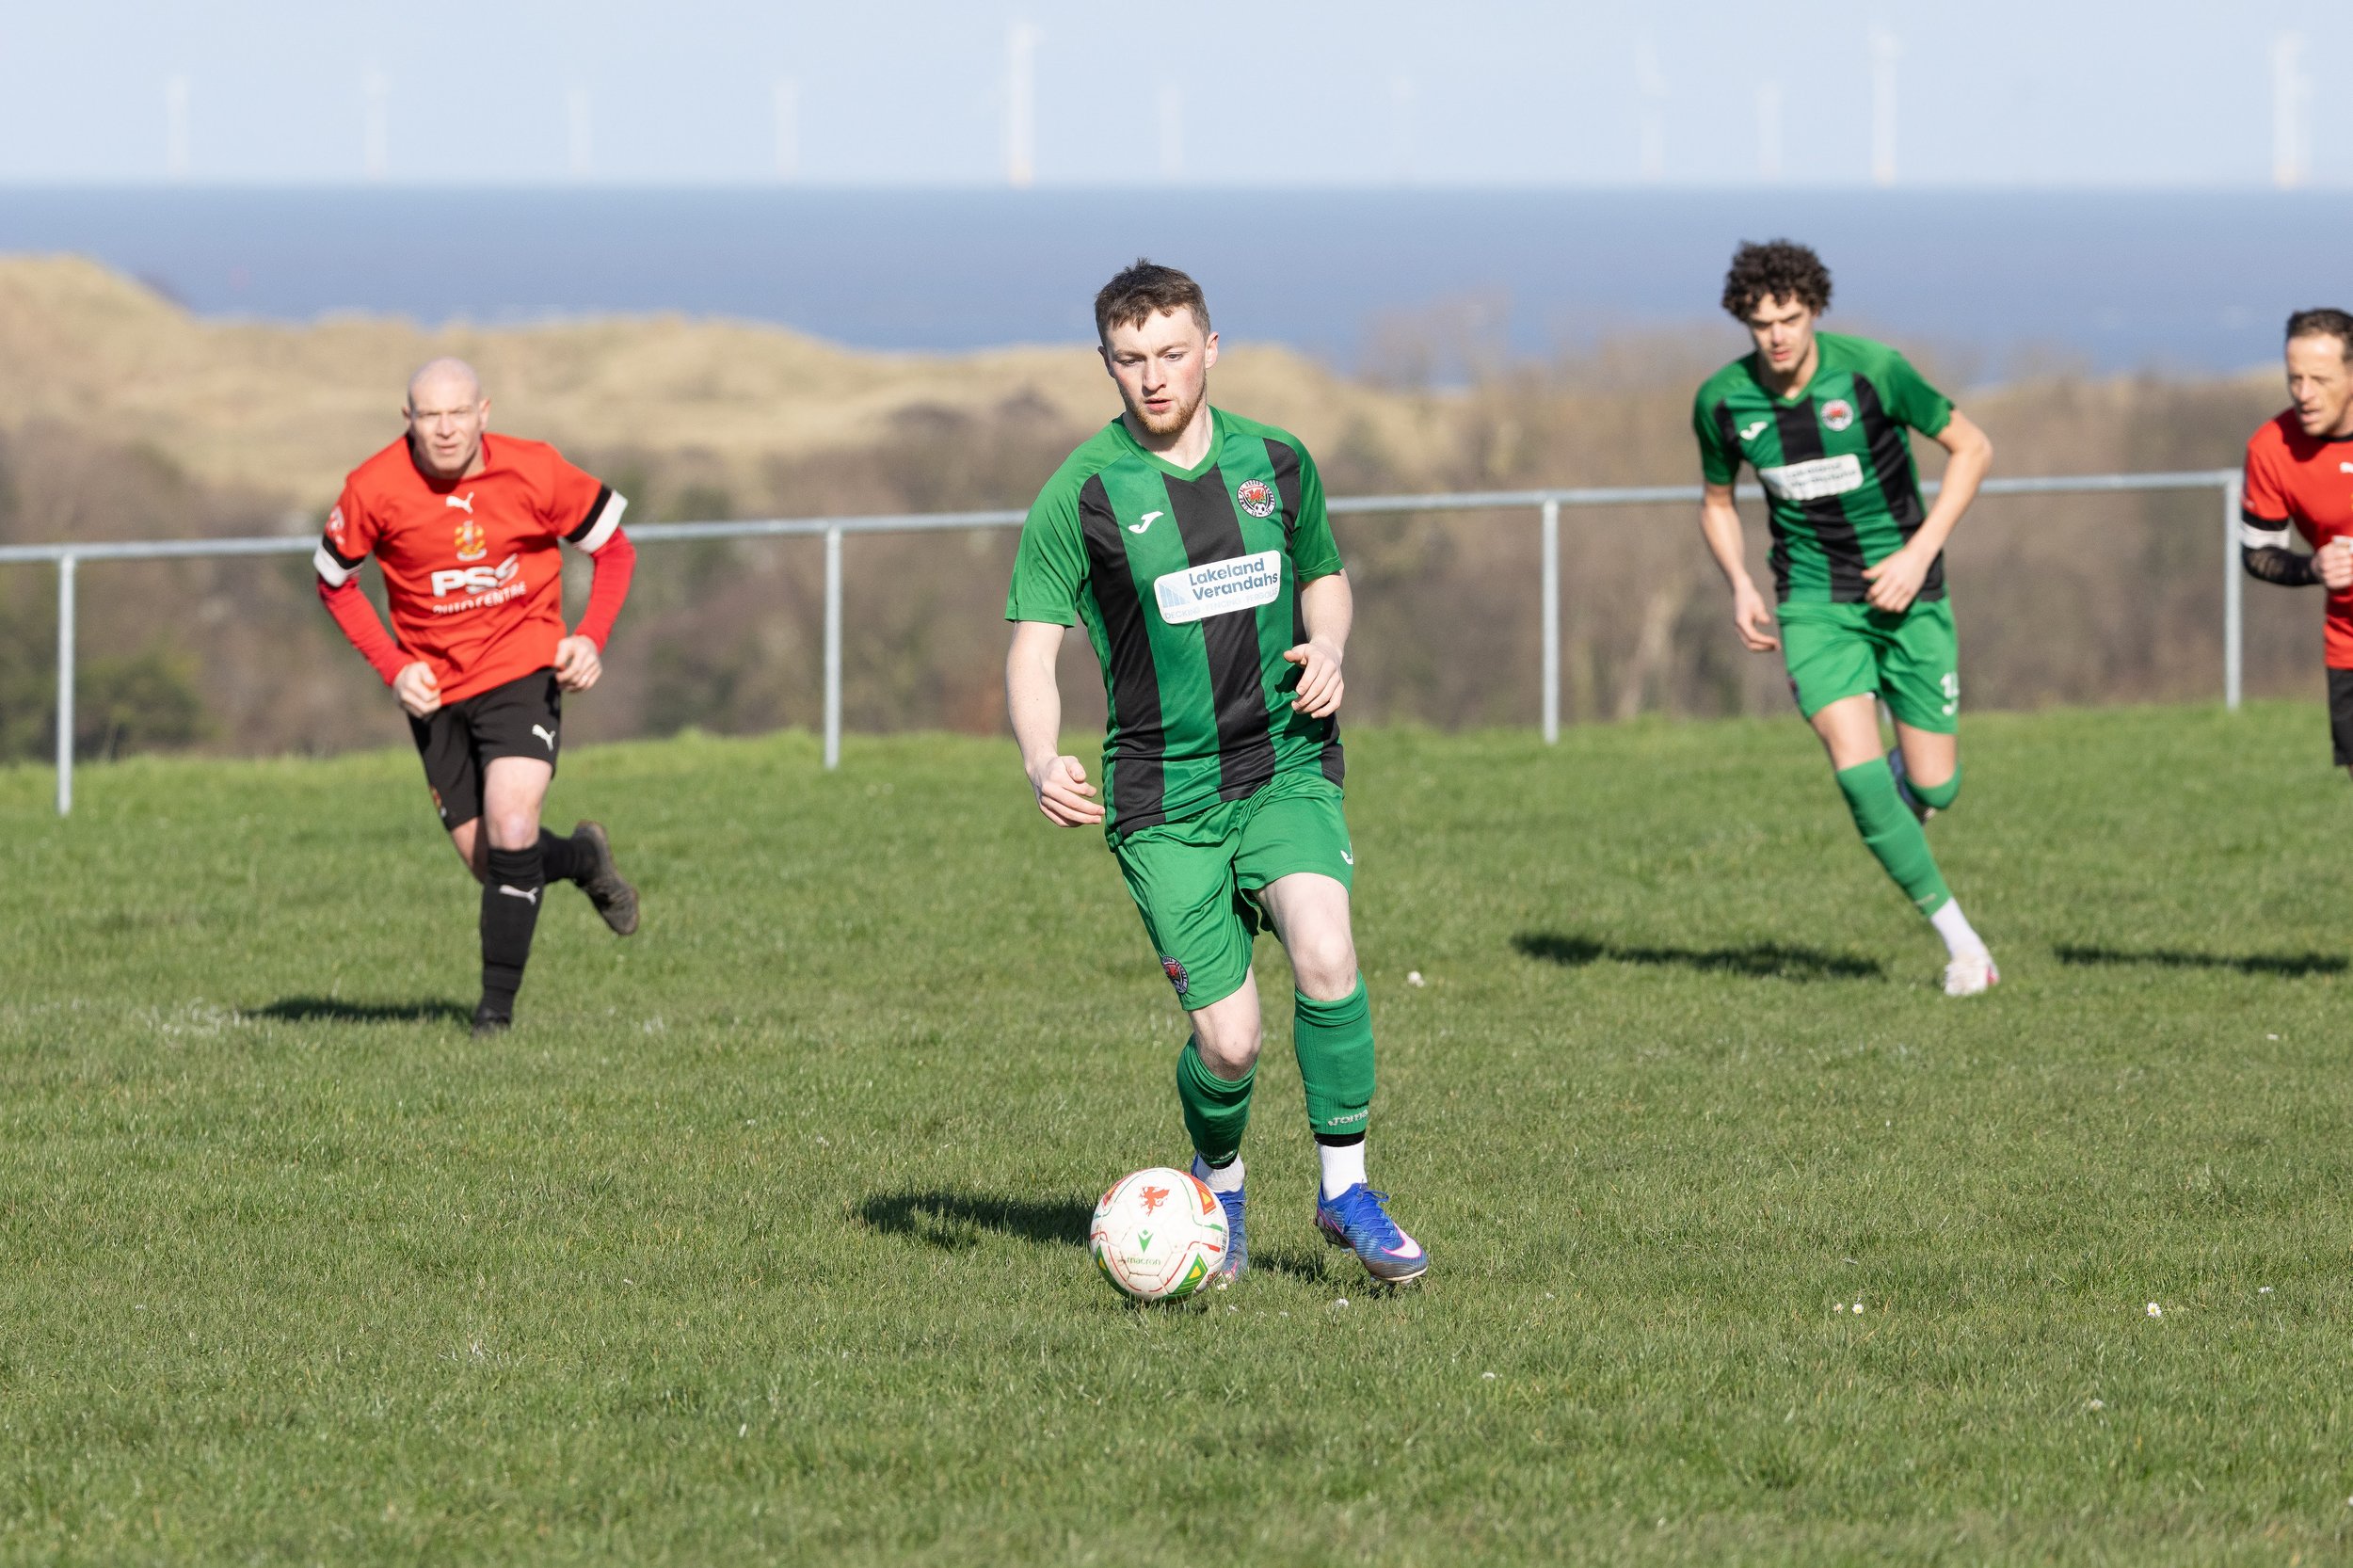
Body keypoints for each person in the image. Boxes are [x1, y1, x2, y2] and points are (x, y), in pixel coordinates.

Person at [1003, 261, 1426, 1285]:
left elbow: (1323, 572)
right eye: (1131, 359)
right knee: (1229, 1042)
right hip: (1162, 797)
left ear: (1211, 350)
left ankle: (1344, 1191)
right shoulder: (1084, 492)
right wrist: (1037, 753)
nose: (1153, 378)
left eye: (1172, 354)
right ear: (1106, 363)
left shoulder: (1276, 462)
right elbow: (1032, 645)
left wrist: (1326, 647)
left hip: (1282, 763)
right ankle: (1218, 1189)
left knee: (1326, 951)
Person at [1691, 240, 2000, 995]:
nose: (1778, 336)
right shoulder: (1722, 402)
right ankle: (1965, 948)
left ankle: (1911, 790)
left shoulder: (1873, 370)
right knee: (1859, 780)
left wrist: (1920, 552)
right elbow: (1718, 502)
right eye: (1762, 323)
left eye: (1790, 318)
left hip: (1910, 594)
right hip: (1812, 603)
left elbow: (1973, 447)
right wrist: (1738, 581)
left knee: (1936, 787)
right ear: (1744, 322)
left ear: (1815, 309)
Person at [314, 358, 641, 1035]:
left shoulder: (535, 469)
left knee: (514, 826)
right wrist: (393, 667)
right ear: (407, 419)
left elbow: (615, 551)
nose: (444, 430)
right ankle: (583, 859)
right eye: (429, 416)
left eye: (457, 413)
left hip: (523, 669)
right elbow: (333, 582)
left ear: (484, 412)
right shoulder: (373, 489)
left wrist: (590, 637)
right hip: (435, 693)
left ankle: (493, 1019)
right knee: (491, 863)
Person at [2241, 309, 2353, 769]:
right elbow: (2258, 554)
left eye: (2321, 380)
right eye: (2295, 379)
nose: (2304, 394)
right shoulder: (2271, 448)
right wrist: (2313, 568)